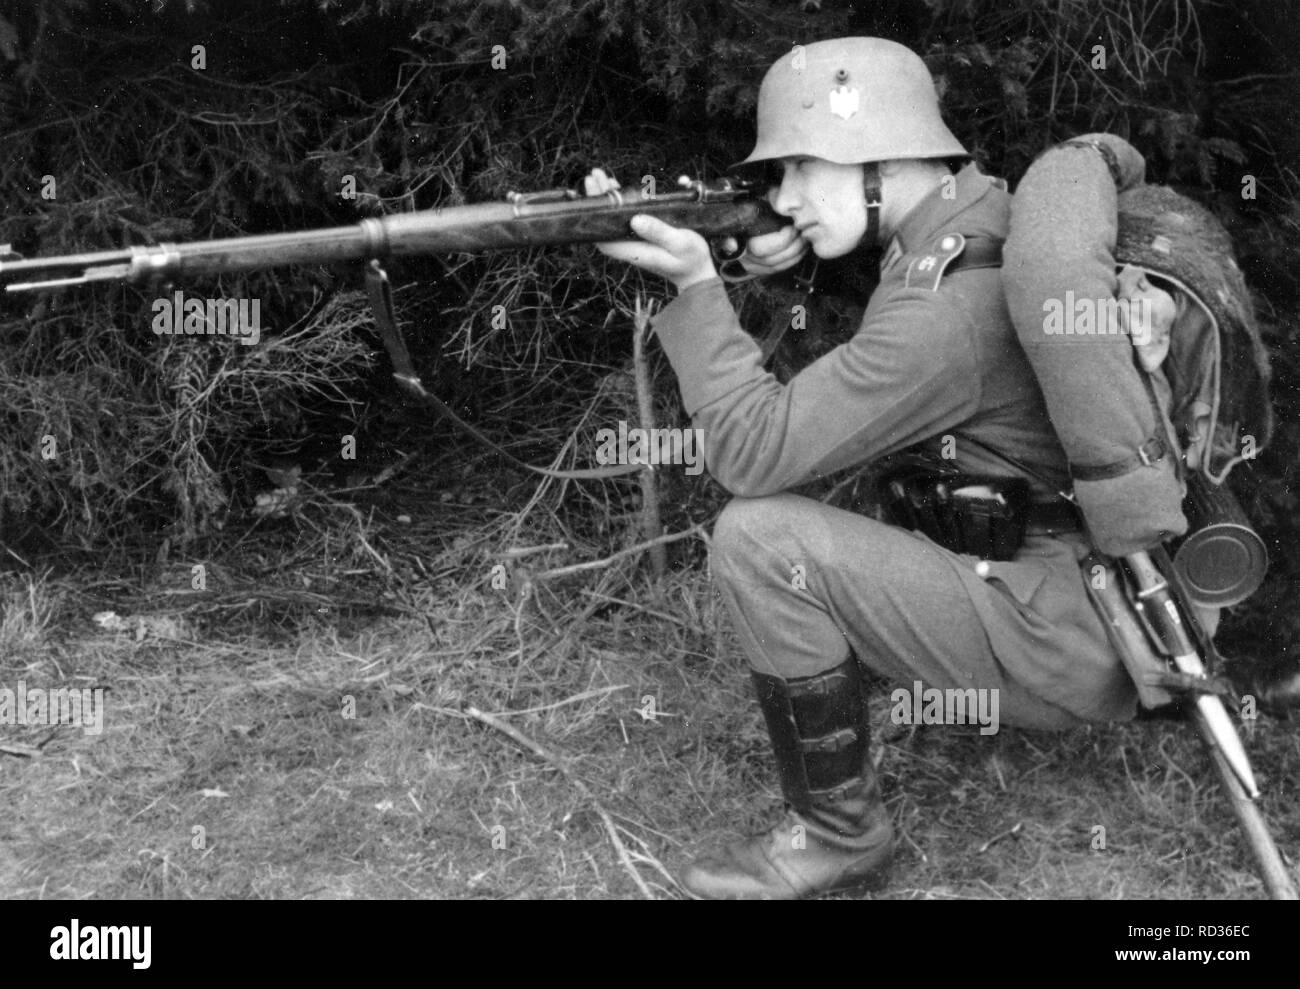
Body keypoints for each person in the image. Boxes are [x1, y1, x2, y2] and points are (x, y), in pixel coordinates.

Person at [583, 38, 1246, 900]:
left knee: (759, 536)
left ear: (878, 158)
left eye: (794, 170)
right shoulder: (979, 222)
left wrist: (697, 286)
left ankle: (837, 834)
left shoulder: (947, 316)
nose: (781, 197)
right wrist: (771, 253)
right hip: (1094, 591)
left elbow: (752, 450)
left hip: (1078, 638)